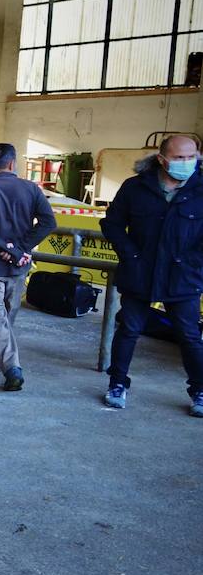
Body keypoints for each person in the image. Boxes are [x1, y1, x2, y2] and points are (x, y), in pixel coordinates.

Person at [99, 134, 203, 416]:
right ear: (161, 159)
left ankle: (199, 389)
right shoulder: (136, 188)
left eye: (191, 157)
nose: (186, 163)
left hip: (183, 277)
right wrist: (131, 256)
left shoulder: (200, 189)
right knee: (129, 330)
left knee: (190, 335)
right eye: (179, 158)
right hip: (141, 273)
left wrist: (194, 263)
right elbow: (112, 225)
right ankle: (118, 383)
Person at [0, 143, 57, 392]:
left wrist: (9, 249)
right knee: (6, 313)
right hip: (19, 266)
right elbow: (49, 222)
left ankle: (2, 363)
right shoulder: (31, 189)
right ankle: (5, 363)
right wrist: (22, 249)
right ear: (12, 164)